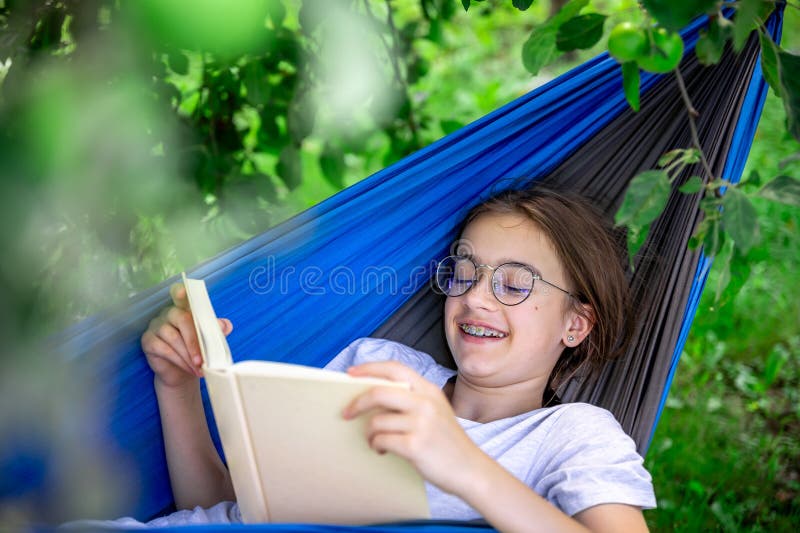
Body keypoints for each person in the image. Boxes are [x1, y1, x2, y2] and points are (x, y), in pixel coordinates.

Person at [138, 188, 656, 531]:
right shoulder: (378, 366)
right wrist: (178, 385)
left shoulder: (573, 436)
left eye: (515, 284)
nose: (476, 297)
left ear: (576, 324)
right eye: (464, 272)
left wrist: (462, 464)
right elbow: (232, 507)